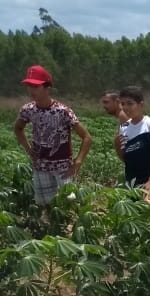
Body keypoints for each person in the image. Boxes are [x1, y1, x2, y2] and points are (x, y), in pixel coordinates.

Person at [12, 65, 92, 205]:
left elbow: (86, 137)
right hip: (40, 166)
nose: (31, 90)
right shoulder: (28, 110)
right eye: (29, 86)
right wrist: (29, 150)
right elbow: (18, 128)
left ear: (47, 88)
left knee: (68, 205)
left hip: (63, 168)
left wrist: (77, 162)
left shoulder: (63, 111)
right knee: (45, 205)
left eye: (36, 87)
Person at [100, 91, 128, 159]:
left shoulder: (123, 115)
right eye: (103, 103)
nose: (104, 106)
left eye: (106, 102)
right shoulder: (123, 115)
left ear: (117, 101)